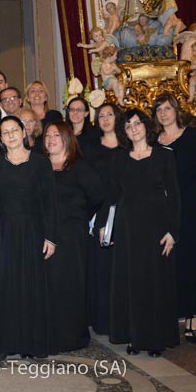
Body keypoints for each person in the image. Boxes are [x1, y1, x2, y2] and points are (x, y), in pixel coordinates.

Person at [0, 116, 57, 359]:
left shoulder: (41, 163)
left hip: (33, 231)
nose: (10, 135)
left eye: (14, 130)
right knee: (4, 286)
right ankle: (3, 344)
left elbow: (49, 203)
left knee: (30, 286)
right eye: (5, 132)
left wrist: (51, 237)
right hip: (4, 232)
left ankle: (29, 344)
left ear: (23, 132)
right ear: (0, 138)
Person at [98, 109, 180, 357]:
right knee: (131, 283)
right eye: (128, 125)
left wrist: (173, 232)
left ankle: (155, 340)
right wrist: (104, 225)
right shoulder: (119, 159)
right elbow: (111, 194)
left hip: (156, 227)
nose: (133, 128)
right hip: (127, 228)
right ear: (123, 131)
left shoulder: (164, 157)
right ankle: (134, 337)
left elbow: (175, 196)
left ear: (146, 125)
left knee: (154, 283)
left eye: (137, 123)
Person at [153, 93, 196, 343]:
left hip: (187, 205)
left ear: (176, 110)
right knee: (167, 260)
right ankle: (170, 312)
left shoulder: (194, 137)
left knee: (190, 258)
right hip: (161, 207)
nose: (164, 113)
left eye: (167, 108)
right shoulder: (153, 141)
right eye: (159, 110)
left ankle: (192, 314)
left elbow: (186, 171)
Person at [43, 122, 104, 352]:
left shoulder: (80, 166)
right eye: (47, 135)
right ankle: (49, 334)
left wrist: (79, 217)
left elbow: (97, 195)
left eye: (56, 135)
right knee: (49, 285)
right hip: (46, 235)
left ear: (67, 138)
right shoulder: (40, 166)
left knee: (70, 285)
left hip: (72, 236)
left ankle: (71, 337)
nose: (50, 139)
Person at [82, 102, 123, 335]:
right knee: (100, 267)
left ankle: (121, 319)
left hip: (125, 211)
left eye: (110, 115)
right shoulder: (91, 148)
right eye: (102, 115)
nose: (106, 119)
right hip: (99, 213)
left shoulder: (128, 145)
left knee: (121, 268)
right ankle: (102, 320)